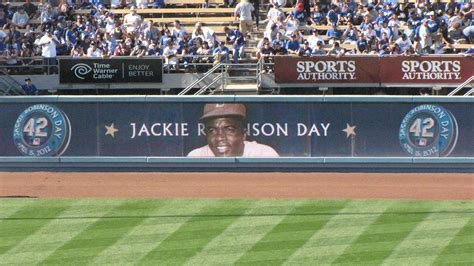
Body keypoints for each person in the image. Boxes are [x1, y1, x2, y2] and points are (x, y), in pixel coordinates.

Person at [187, 103, 279, 157]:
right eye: (212, 130)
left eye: (229, 130)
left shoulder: (263, 154)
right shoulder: (197, 156)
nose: (219, 138)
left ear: (244, 133)